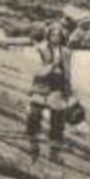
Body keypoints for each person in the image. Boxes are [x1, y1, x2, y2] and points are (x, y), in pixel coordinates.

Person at [26, 24, 73, 160]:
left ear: (62, 37)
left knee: (58, 120)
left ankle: (55, 151)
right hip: (41, 86)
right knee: (34, 114)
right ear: (48, 36)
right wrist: (53, 65)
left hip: (57, 87)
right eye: (53, 34)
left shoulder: (66, 52)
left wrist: (68, 89)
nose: (55, 37)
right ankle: (33, 144)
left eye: (58, 35)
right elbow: (38, 71)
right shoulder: (41, 50)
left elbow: (68, 73)